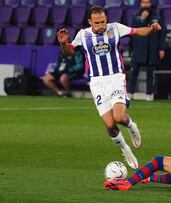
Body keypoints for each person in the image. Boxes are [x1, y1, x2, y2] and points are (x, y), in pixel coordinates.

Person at [56, 6, 162, 169]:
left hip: (115, 78)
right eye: (97, 23)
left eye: (103, 21)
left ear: (106, 19)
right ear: (90, 22)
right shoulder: (83, 35)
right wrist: (64, 44)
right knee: (110, 126)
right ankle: (125, 149)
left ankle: (131, 126)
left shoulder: (115, 28)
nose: (100, 25)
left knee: (119, 117)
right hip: (97, 83)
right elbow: (69, 52)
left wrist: (151, 29)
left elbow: (137, 31)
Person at [128, 0, 167, 101]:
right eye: (143, 2)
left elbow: (162, 33)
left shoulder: (157, 16)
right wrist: (142, 19)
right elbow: (132, 32)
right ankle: (130, 93)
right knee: (134, 72)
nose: (145, 5)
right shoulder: (135, 15)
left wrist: (162, 48)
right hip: (139, 47)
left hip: (152, 47)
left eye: (147, 2)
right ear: (140, 4)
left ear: (150, 3)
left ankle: (149, 94)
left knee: (151, 72)